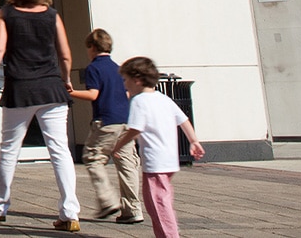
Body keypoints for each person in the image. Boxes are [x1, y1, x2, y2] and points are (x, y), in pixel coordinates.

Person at [0, 0, 81, 232]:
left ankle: (0, 207)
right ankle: (70, 213)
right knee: (60, 151)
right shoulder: (52, 15)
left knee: (10, 150)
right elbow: (65, 54)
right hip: (51, 90)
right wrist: (66, 78)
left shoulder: (7, 14)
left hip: (20, 89)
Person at [110, 56, 205, 238]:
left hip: (155, 163)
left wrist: (118, 146)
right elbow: (183, 120)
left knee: (157, 203)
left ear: (137, 80)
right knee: (162, 200)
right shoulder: (163, 99)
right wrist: (194, 141)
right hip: (169, 160)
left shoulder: (139, 101)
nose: (124, 85)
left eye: (125, 80)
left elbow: (135, 129)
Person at [68, 29, 142, 224]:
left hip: (106, 121)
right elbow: (127, 94)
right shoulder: (118, 68)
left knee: (93, 157)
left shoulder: (94, 68)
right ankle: (133, 209)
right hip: (124, 121)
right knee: (127, 164)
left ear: (92, 47)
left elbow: (93, 94)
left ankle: (107, 200)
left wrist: (71, 93)